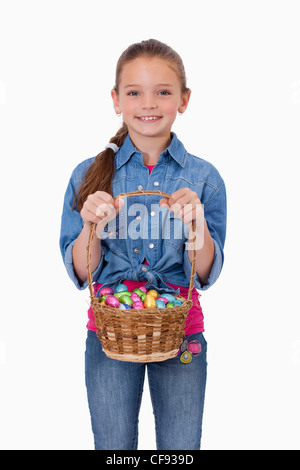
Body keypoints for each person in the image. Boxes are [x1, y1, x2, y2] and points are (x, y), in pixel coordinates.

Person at [59, 39, 227, 450]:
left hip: (180, 333)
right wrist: (91, 226)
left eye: (163, 92)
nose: (148, 103)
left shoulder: (204, 179)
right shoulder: (88, 176)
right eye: (134, 92)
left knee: (180, 449)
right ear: (116, 100)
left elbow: (204, 275)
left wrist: (197, 223)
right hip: (110, 335)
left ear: (183, 100)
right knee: (114, 449)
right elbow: (83, 274)